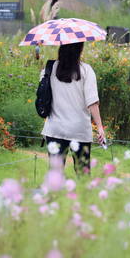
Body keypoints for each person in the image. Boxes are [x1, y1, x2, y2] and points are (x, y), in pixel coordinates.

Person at [41, 42, 106, 174]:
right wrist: (99, 126)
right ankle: (82, 195)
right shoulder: (86, 70)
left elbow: (44, 94)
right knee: (82, 173)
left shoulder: (50, 68)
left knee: (55, 172)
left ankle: (53, 195)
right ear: (81, 49)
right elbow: (92, 102)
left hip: (55, 129)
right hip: (79, 130)